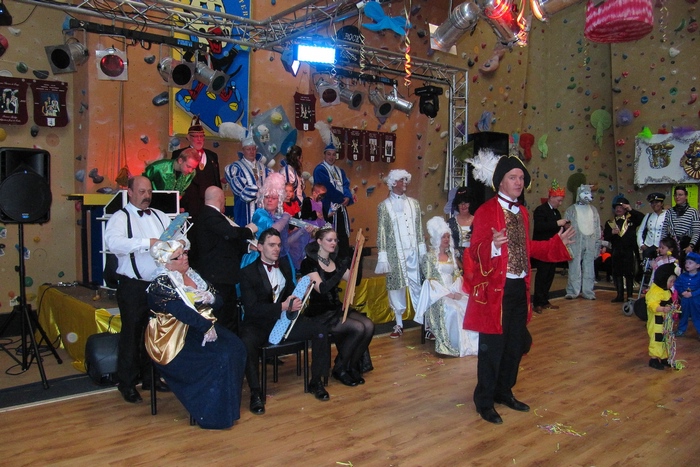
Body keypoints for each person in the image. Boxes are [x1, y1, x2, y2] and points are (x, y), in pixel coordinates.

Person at [463, 153, 575, 425]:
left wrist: (555, 243)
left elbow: (527, 248)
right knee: (493, 348)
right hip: (496, 291)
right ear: (500, 182)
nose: (518, 182)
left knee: (514, 346)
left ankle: (504, 391)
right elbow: (474, 251)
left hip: (519, 289)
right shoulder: (486, 211)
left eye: (521, 178)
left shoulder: (522, 212)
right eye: (512, 177)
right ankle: (484, 400)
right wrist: (493, 245)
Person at [104, 175, 189, 403]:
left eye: (149, 192)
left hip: (159, 284)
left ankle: (151, 378)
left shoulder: (160, 215)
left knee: (155, 333)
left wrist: (181, 244)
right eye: (142, 192)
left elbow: (183, 238)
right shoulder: (120, 218)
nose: (147, 196)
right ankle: (127, 383)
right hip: (133, 286)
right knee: (132, 335)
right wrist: (146, 243)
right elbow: (113, 243)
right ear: (130, 192)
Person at [146, 240, 247, 429]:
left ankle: (228, 408)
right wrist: (205, 326)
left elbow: (219, 301)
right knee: (218, 357)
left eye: (184, 253)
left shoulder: (194, 274)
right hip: (173, 334)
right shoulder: (161, 283)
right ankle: (210, 413)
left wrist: (211, 298)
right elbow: (180, 311)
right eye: (178, 257)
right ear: (166, 263)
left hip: (200, 325)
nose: (184, 258)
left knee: (236, 347)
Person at [239, 228, 332, 414]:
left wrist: (300, 294)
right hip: (259, 323)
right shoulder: (247, 272)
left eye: (279, 245)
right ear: (260, 247)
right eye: (271, 245)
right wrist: (281, 306)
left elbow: (290, 292)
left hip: (284, 320)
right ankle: (256, 392)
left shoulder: (283, 265)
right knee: (246, 342)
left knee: (321, 330)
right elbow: (251, 309)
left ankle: (316, 382)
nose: (276, 249)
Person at [300, 227, 374, 386]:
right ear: (319, 241)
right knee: (358, 328)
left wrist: (357, 257)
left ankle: (350, 366)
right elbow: (322, 288)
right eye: (329, 240)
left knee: (369, 326)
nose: (333, 243)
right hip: (320, 312)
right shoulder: (309, 263)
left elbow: (355, 281)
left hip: (336, 308)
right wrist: (340, 271)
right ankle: (340, 368)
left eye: (335, 240)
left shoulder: (335, 261)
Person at [192, 186, 257, 334]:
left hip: (222, 275)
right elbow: (231, 234)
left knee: (228, 313)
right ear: (221, 199)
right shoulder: (210, 215)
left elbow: (224, 243)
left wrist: (248, 248)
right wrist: (249, 230)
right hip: (218, 276)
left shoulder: (208, 215)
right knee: (224, 316)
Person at [415, 216, 479, 357]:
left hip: (453, 291)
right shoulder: (429, 257)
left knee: (468, 305)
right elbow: (431, 281)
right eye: (443, 236)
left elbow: (456, 276)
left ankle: (472, 343)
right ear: (437, 238)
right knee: (454, 309)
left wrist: (457, 292)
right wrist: (448, 294)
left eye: (448, 236)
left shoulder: (451, 256)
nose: (446, 239)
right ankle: (454, 343)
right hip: (437, 295)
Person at [375, 169, 426, 339]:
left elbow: (419, 228)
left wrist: (422, 250)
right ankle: (399, 324)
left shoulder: (414, 204)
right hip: (395, 254)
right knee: (396, 288)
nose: (404, 182)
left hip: (413, 251)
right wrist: (383, 255)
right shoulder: (384, 206)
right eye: (401, 180)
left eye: (405, 179)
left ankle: (426, 324)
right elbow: (381, 232)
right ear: (393, 183)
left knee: (419, 286)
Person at [172, 115, 222, 219]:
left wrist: (221, 202)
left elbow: (217, 181)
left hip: (209, 206)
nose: (199, 139)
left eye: (201, 136)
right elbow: (175, 182)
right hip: (189, 206)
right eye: (195, 136)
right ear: (188, 137)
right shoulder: (179, 154)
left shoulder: (212, 156)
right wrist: (178, 205)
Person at [312, 143, 354, 258]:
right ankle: (329, 262)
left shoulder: (340, 171)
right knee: (328, 236)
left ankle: (343, 262)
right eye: (329, 154)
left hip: (340, 208)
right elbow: (327, 188)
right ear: (324, 155)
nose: (331, 157)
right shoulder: (320, 170)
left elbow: (345, 185)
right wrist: (341, 198)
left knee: (342, 235)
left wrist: (347, 197)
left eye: (334, 154)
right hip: (327, 208)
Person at [532, 180, 568, 313]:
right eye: (558, 200)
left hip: (553, 248)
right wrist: (557, 223)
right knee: (542, 275)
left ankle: (545, 300)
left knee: (550, 275)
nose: (560, 203)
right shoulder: (540, 210)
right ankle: (537, 302)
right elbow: (540, 227)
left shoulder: (556, 212)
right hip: (542, 248)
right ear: (551, 197)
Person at [604, 196, 645, 302]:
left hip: (629, 251)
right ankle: (620, 295)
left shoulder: (632, 220)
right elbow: (606, 237)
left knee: (629, 274)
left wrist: (631, 209)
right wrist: (612, 233)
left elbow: (642, 218)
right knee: (617, 273)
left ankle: (630, 296)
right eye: (616, 207)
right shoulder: (610, 222)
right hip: (616, 251)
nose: (618, 209)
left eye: (621, 207)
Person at [225, 133, 271, 226]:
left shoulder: (263, 167)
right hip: (243, 212)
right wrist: (259, 190)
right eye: (248, 149)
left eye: (253, 149)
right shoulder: (236, 167)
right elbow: (244, 193)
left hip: (261, 211)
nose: (251, 152)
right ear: (243, 150)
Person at [564, 184, 600, 300]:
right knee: (574, 266)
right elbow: (566, 227)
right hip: (575, 241)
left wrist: (597, 243)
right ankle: (572, 291)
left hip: (590, 240)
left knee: (589, 266)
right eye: (585, 193)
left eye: (589, 193)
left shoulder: (593, 210)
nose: (589, 196)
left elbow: (597, 227)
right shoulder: (571, 210)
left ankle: (588, 291)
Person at [645, 262, 679, 370]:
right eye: (671, 281)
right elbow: (652, 305)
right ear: (663, 279)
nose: (672, 284)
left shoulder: (666, 290)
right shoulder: (655, 291)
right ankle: (654, 358)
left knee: (665, 338)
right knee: (657, 338)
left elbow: (669, 301)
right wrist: (663, 309)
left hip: (665, 320)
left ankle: (664, 357)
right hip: (656, 321)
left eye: (673, 282)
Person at [663, 185, 700, 266]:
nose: (677, 197)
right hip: (673, 245)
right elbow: (664, 230)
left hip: (687, 244)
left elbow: (697, 232)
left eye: (680, 195)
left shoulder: (693, 212)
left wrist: (691, 246)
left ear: (686, 196)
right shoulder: (670, 212)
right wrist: (662, 246)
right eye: (675, 195)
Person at [674, 251, 700, 338]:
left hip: (696, 300)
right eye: (686, 263)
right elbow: (677, 285)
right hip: (685, 299)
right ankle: (681, 330)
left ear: (697, 265)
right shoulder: (682, 276)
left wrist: (692, 293)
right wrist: (682, 292)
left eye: (690, 263)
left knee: (697, 315)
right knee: (684, 314)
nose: (687, 265)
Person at [447, 186, 475, 263]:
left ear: (471, 203)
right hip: (456, 262)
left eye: (466, 202)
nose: (463, 206)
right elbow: (447, 246)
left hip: (474, 261)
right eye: (460, 203)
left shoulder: (478, 221)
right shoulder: (450, 223)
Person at [638, 192, 668, 260]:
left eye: (657, 202)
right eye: (652, 203)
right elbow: (640, 231)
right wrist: (641, 244)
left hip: (662, 248)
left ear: (662, 203)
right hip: (648, 247)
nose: (654, 205)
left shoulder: (667, 215)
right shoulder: (648, 216)